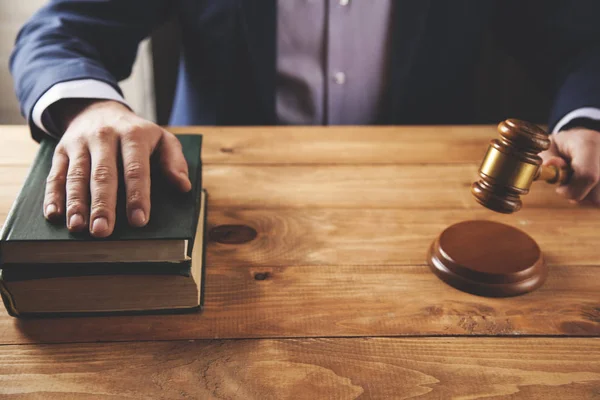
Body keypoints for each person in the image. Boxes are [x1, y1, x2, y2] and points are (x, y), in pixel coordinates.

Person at [10, 0, 600, 238]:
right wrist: (91, 107)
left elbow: (582, 41)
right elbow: (61, 29)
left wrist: (586, 117)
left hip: (430, 211)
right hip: (225, 212)